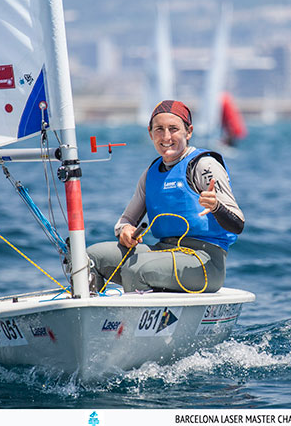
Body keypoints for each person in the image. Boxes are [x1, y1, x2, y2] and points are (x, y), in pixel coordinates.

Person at [86, 100, 245, 293]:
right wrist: (125, 229)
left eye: (173, 129)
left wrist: (216, 207)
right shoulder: (150, 173)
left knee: (137, 269)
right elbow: (126, 220)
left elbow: (238, 224)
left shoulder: (204, 166)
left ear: (189, 132)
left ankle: (128, 322)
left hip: (204, 262)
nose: (166, 136)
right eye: (159, 129)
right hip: (162, 251)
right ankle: (91, 318)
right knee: (89, 257)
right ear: (150, 133)